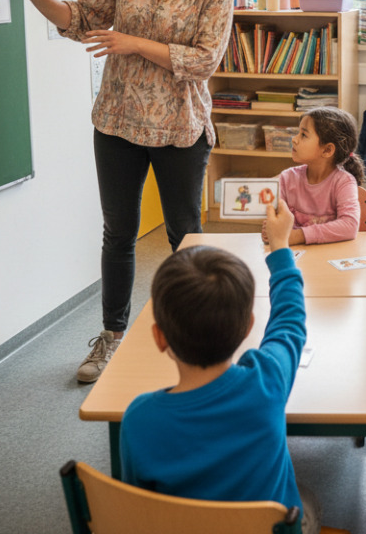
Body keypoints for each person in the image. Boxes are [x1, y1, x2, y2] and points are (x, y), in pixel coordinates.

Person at [0, 0, 233, 383]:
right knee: (118, 234)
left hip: (178, 127)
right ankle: (111, 337)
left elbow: (206, 60)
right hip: (117, 121)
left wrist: (135, 43)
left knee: (184, 237)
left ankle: (199, 339)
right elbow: (81, 18)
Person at [119, 200, 323, 534]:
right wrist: (280, 245)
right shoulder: (265, 383)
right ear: (247, 329)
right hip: (269, 527)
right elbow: (290, 323)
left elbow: (141, 510)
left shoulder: (138, 419)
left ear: (159, 338)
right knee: (309, 499)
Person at [263, 107, 364, 246]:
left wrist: (298, 236)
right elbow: (277, 220)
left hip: (331, 255)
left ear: (327, 150)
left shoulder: (344, 182)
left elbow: (350, 226)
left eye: (303, 135)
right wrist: (271, 230)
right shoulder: (287, 178)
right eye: (298, 133)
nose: (294, 139)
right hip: (297, 257)